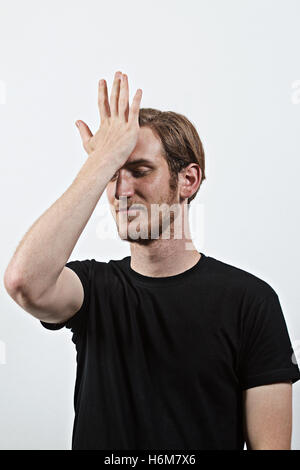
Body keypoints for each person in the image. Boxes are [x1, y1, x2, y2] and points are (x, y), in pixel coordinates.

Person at [4, 70, 300, 451]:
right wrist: (99, 162)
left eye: (140, 171)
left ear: (188, 180)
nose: (121, 192)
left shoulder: (251, 301)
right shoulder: (94, 289)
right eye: (113, 175)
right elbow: (23, 282)